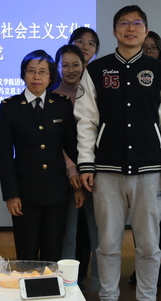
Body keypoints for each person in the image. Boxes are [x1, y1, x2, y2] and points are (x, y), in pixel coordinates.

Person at [75, 5, 161, 301]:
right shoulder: (96, 70)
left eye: (136, 23)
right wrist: (86, 164)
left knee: (148, 245)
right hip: (106, 171)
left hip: (150, 171)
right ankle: (108, 296)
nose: (130, 28)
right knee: (108, 243)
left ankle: (147, 297)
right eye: (124, 23)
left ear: (145, 31)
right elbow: (86, 121)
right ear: (114, 31)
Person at [0, 50, 78, 261]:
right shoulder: (10, 107)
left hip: (56, 192)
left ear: (51, 77)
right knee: (26, 255)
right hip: (25, 193)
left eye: (43, 72)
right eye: (31, 71)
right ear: (23, 74)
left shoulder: (61, 104)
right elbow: (4, 155)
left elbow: (72, 147)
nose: (36, 76)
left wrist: (80, 181)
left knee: (53, 254)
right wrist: (11, 194)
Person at [130, 29, 161, 287]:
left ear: (160, 51)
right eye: (145, 47)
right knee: (138, 220)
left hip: (160, 162)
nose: (149, 51)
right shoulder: (127, 76)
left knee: (158, 218)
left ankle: (155, 265)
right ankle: (140, 266)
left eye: (153, 47)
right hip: (132, 160)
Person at [54, 45, 99, 291]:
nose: (70, 70)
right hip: (66, 176)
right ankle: (67, 285)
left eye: (75, 64)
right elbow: (56, 141)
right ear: (58, 67)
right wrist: (72, 169)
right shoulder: (53, 97)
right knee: (68, 235)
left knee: (100, 234)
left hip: (97, 174)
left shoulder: (95, 93)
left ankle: (101, 286)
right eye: (65, 65)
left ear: (84, 65)